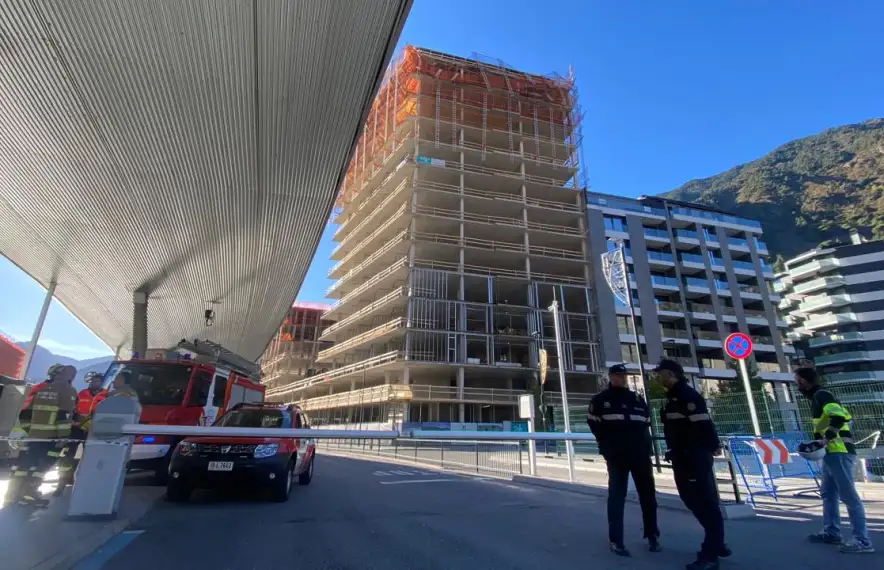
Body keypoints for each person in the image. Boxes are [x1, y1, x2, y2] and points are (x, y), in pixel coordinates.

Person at [655, 359, 729, 570]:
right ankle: (717, 542)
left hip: (693, 456)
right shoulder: (673, 397)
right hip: (682, 456)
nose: (658, 377)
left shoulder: (687, 396)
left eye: (660, 373)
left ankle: (710, 555)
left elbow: (704, 424)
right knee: (693, 499)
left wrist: (712, 446)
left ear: (671, 374)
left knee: (704, 502)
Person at [794, 366, 874, 554]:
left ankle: (863, 540)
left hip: (839, 452)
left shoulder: (823, 396)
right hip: (830, 453)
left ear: (803, 381)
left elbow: (839, 417)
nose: (796, 385)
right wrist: (817, 443)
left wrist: (825, 439)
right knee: (828, 493)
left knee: (849, 496)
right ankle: (832, 532)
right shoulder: (817, 398)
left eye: (797, 381)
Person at [587, 363, 660, 556]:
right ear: (611, 377)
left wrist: (646, 449)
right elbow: (594, 425)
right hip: (617, 457)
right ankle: (616, 540)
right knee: (617, 497)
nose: (622, 378)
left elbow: (646, 424)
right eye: (618, 375)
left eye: (624, 375)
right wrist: (607, 446)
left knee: (648, 496)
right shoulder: (600, 400)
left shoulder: (637, 399)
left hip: (640, 456)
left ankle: (652, 535)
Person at [4, 365, 78, 507]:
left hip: (33, 436)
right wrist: (63, 436)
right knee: (41, 466)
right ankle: (28, 494)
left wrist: (27, 430)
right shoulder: (67, 390)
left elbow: (25, 412)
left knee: (25, 465)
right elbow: (64, 415)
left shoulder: (40, 388)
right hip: (51, 437)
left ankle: (14, 495)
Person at [55, 372, 108, 495]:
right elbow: (72, 409)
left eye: (98, 381)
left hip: (92, 430)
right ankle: (62, 483)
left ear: (102, 383)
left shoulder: (106, 396)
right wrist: (74, 420)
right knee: (69, 455)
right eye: (93, 381)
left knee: (90, 456)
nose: (95, 383)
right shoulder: (81, 393)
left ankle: (85, 482)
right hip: (77, 428)